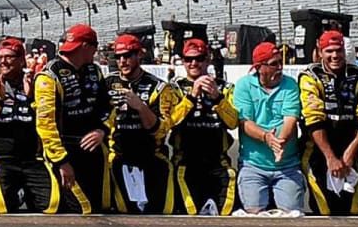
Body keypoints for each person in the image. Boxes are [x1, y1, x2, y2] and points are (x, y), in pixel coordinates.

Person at [0, 37, 54, 214]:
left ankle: (27, 192)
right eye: (0, 57)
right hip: (1, 158)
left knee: (51, 206)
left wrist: (31, 97)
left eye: (9, 57)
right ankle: (13, 192)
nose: (3, 61)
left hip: (33, 159)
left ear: (21, 60)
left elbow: (48, 117)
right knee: (1, 207)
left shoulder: (36, 82)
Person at [34, 24, 111, 214]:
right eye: (95, 47)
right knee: (82, 208)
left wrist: (102, 130)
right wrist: (61, 161)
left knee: (102, 205)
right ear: (86, 46)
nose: (96, 52)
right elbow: (45, 125)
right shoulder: (49, 76)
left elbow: (108, 108)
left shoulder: (95, 71)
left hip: (94, 149)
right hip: (65, 152)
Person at [299, 30, 358, 215]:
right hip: (318, 151)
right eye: (329, 51)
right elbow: (313, 118)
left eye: (338, 50)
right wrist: (330, 158)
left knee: (352, 210)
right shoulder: (310, 76)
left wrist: (350, 153)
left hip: (350, 149)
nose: (335, 56)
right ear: (320, 52)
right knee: (325, 210)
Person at [103, 33, 178, 214]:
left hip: (152, 157)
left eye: (127, 55)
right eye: (118, 57)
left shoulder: (158, 87)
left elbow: (160, 130)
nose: (122, 61)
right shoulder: (106, 84)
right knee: (124, 210)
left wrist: (140, 107)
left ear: (139, 55)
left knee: (163, 210)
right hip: (118, 157)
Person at [166, 38, 239, 216]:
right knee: (189, 213)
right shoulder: (174, 88)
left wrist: (217, 98)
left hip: (218, 163)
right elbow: (170, 122)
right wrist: (191, 97)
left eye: (199, 58)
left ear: (207, 59)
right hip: (185, 163)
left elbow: (233, 122)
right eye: (188, 59)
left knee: (225, 213)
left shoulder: (225, 88)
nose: (193, 63)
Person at [232, 42, 305, 214]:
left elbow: (290, 120)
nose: (280, 67)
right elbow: (245, 123)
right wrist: (267, 138)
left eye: (281, 62)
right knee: (254, 212)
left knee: (291, 215)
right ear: (259, 67)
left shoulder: (290, 84)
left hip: (287, 166)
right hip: (253, 165)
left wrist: (280, 142)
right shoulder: (243, 85)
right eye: (274, 64)